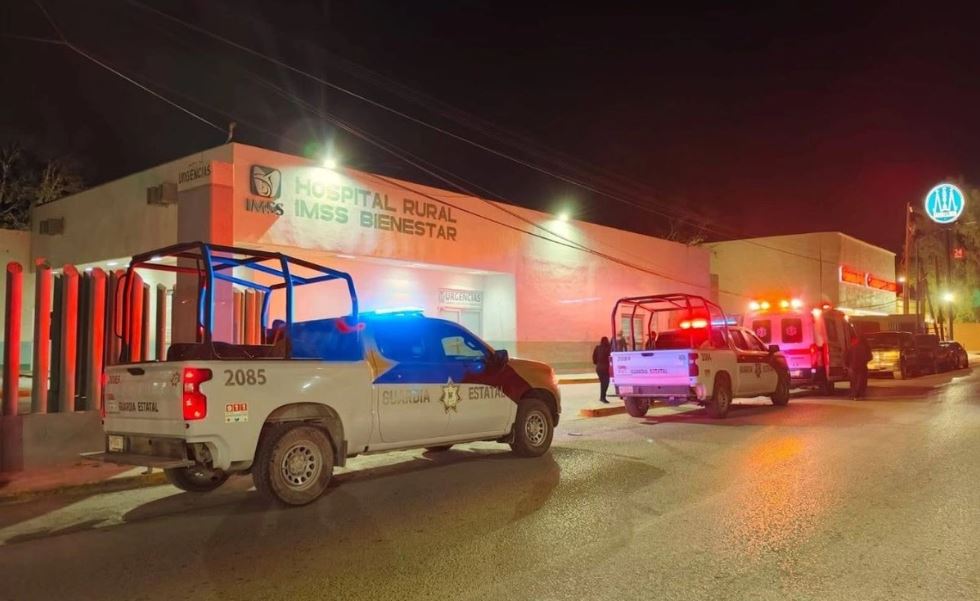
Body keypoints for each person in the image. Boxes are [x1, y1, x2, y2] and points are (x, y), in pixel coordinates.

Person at [848, 333, 872, 399]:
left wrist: (848, 365)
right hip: (862, 366)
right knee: (861, 381)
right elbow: (870, 357)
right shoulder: (866, 347)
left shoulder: (852, 347)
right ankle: (860, 394)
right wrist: (865, 361)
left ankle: (854, 394)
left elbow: (846, 356)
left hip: (852, 366)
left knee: (854, 381)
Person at [592, 336, 613, 404]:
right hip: (606, 368)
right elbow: (610, 358)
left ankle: (602, 397)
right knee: (605, 383)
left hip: (599, 368)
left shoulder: (597, 348)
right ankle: (602, 397)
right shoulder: (609, 348)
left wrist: (597, 363)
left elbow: (594, 357)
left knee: (602, 383)